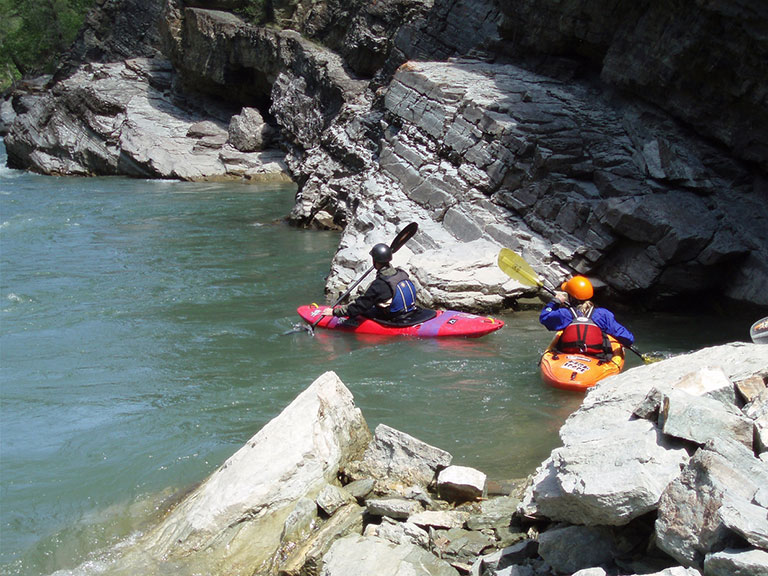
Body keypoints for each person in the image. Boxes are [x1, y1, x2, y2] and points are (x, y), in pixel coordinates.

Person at [321, 243, 417, 321]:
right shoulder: (401, 273)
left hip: (394, 317)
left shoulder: (380, 285)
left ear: (374, 261)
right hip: (410, 311)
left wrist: (334, 312)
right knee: (362, 300)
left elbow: (360, 306)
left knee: (359, 309)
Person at [539, 275, 634, 355]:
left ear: (571, 298)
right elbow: (627, 338)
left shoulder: (565, 314)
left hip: (568, 355)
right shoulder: (603, 314)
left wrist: (555, 302)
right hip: (596, 357)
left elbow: (544, 317)